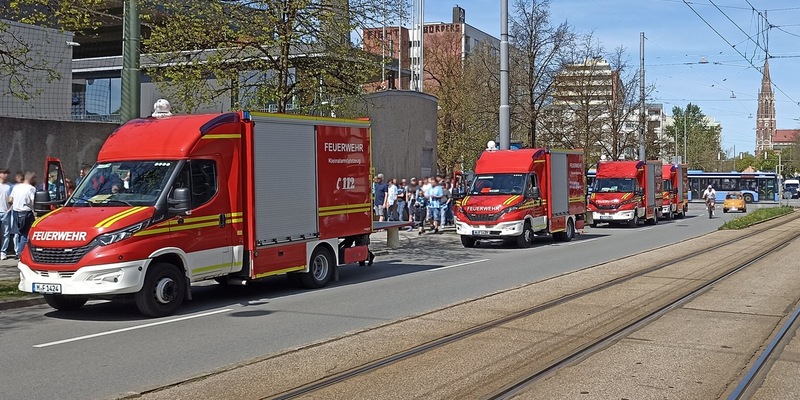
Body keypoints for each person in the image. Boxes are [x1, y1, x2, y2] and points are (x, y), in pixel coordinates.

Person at [9, 171, 36, 258]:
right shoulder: (31, 188)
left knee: (19, 233)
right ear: (31, 179)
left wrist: (17, 202)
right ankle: (21, 254)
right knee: (25, 234)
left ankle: (18, 252)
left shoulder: (16, 187)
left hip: (16, 212)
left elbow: (10, 199)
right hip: (26, 213)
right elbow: (33, 201)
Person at [0, 169, 11, 260]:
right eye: (3, 173)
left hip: (5, 212)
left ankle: (3, 252)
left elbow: (13, 199)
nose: (5, 175)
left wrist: (10, 209)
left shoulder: (9, 186)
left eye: (6, 173)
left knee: (6, 233)